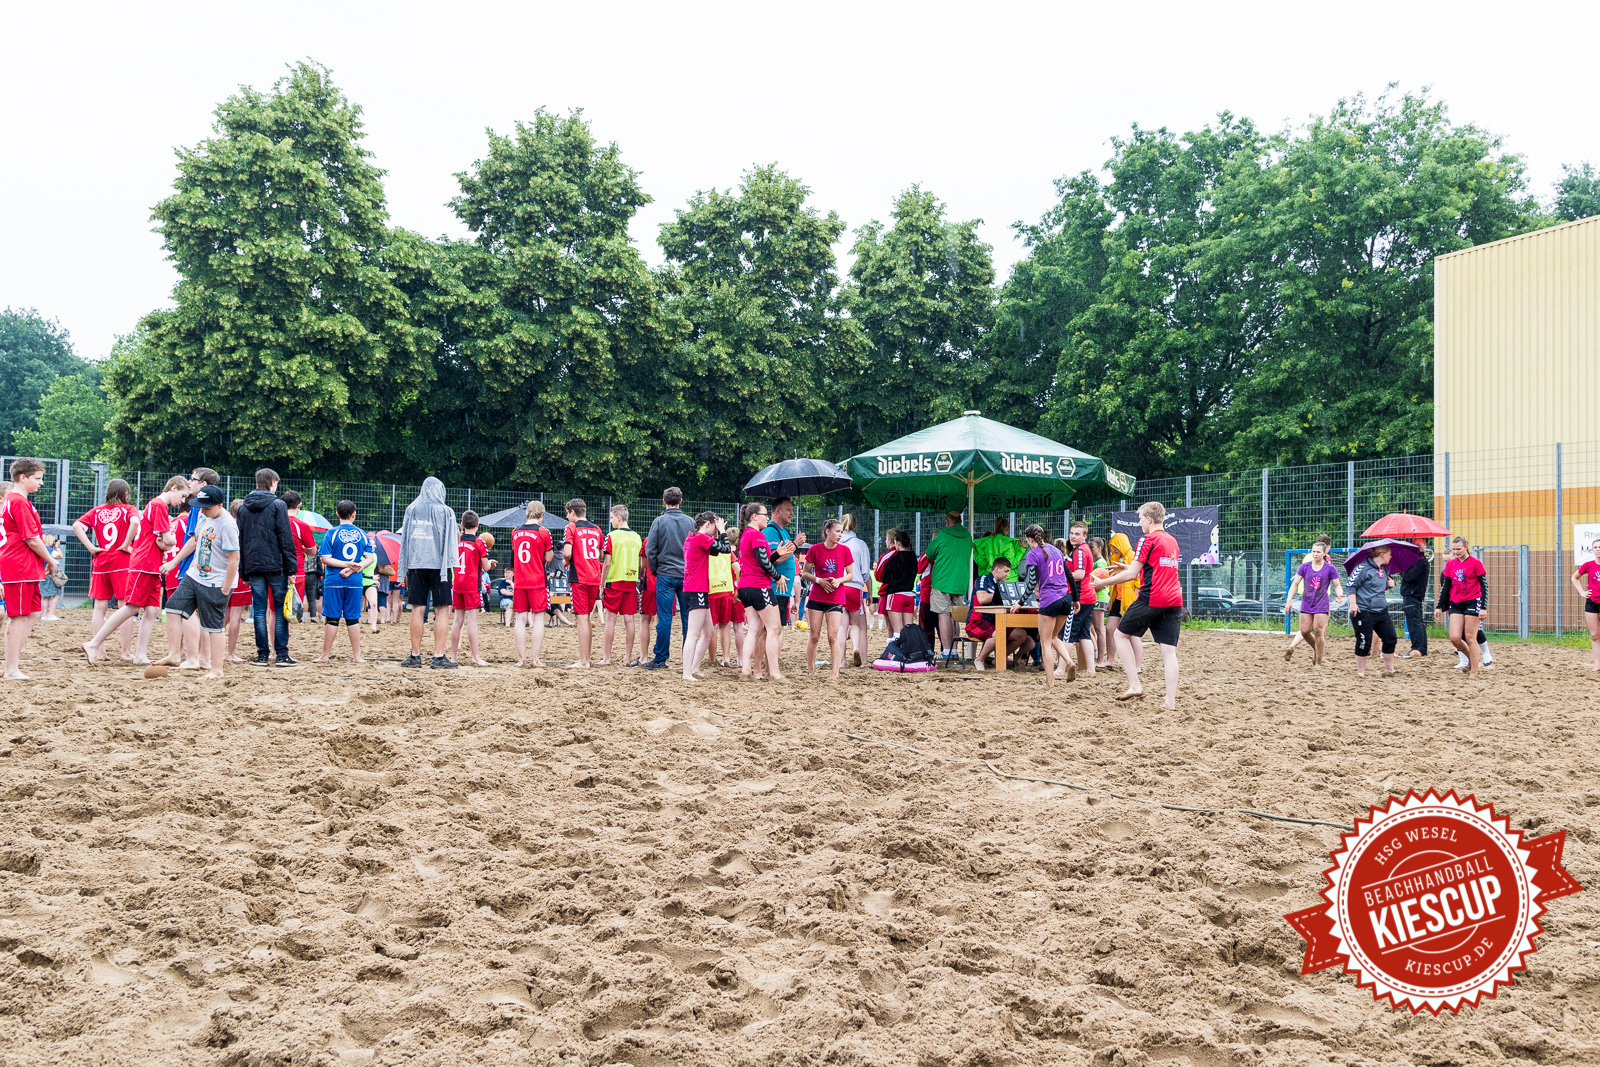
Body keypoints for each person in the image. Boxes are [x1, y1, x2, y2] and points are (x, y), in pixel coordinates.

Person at [85, 476, 189, 666]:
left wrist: (164, 543)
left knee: (151, 610)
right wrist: (169, 541)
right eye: (182, 496)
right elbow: (168, 539)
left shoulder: (154, 505)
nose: (182, 501)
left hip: (151, 563)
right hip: (145, 563)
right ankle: (94, 643)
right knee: (131, 606)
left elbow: (160, 539)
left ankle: (140, 654)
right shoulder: (159, 505)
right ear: (173, 488)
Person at [1094, 502, 1183, 708]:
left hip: (1152, 598)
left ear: (1149, 519)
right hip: (1175, 600)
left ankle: (1135, 684)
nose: (1140, 522)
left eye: (1141, 518)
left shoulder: (1147, 539)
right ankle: (1170, 702)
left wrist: (1102, 582)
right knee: (1169, 652)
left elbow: (1132, 575)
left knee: (1119, 635)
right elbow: (1156, 568)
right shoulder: (1172, 540)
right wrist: (1128, 566)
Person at [155, 485, 239, 680]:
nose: (202, 510)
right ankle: (174, 653)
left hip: (215, 582)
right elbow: (194, 540)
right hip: (195, 575)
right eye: (200, 506)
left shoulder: (227, 525)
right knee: (173, 607)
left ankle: (216, 669)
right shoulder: (203, 516)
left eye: (207, 507)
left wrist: (225, 588)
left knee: (213, 626)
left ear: (219, 505)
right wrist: (174, 562)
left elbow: (234, 559)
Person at [1, 460, 58, 679]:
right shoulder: (18, 501)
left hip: (24, 565)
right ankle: (11, 668)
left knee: (33, 612)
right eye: (37, 478)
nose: (41, 483)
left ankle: (12, 664)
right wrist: (51, 562)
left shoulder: (15, 500)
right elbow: (32, 539)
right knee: (18, 617)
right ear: (22, 477)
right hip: (20, 565)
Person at [73, 478, 139, 659]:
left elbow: (77, 525)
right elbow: (134, 522)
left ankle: (99, 650)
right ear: (125, 494)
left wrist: (91, 547)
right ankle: (125, 652)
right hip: (121, 561)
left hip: (101, 560)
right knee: (124, 606)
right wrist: (126, 544)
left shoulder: (97, 511)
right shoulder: (128, 509)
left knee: (99, 607)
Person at [237, 468, 297, 666]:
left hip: (254, 565)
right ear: (272, 483)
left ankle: (262, 655)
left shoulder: (244, 507)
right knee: (279, 609)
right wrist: (292, 568)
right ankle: (281, 654)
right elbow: (285, 538)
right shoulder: (278, 505)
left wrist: (243, 570)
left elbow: (241, 540)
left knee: (259, 609)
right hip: (276, 565)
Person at [397, 477, 458, 669]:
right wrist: (453, 565)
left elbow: (404, 539)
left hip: (416, 564)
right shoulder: (446, 511)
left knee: (417, 609)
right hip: (440, 566)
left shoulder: (411, 510)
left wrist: (402, 568)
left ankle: (415, 656)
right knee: (442, 611)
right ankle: (439, 656)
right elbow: (451, 541)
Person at [315, 500, 373, 664]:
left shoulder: (331, 533)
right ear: (354, 514)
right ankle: (357, 656)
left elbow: (325, 558)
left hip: (334, 580)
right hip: (355, 581)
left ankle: (325, 656)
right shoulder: (362, 534)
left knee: (332, 618)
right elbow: (370, 558)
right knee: (353, 618)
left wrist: (347, 565)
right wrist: (355, 566)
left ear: (337, 514)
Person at [643, 487, 694, 670]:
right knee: (688, 618)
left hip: (665, 573)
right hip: (686, 574)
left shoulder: (659, 521)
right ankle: (689, 657)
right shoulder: (690, 522)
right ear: (681, 501)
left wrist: (656, 569)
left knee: (664, 618)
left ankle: (660, 658)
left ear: (664, 501)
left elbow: (651, 549)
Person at [1021, 524, 1074, 688]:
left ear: (1030, 539)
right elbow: (1069, 575)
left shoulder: (1033, 554)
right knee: (1053, 637)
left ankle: (1050, 683)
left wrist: (1020, 602)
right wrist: (1076, 599)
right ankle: (1069, 661)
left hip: (1049, 600)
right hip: (1066, 598)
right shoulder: (1057, 551)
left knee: (1045, 642)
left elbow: (1030, 584)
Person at [737, 502, 785, 681]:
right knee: (774, 628)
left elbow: (759, 560)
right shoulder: (757, 535)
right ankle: (774, 672)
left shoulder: (745, 536)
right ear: (754, 517)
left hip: (746, 586)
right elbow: (764, 564)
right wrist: (778, 576)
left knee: (753, 630)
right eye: (764, 514)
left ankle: (746, 671)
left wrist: (776, 554)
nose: (767, 517)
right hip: (759, 586)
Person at [680, 511, 731, 681]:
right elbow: (725, 549)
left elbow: (717, 551)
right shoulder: (701, 538)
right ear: (708, 524)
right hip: (696, 589)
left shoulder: (697, 538)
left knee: (709, 631)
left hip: (698, 588)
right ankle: (687, 673)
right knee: (693, 633)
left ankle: (694, 668)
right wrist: (723, 531)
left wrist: (719, 533)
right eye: (715, 528)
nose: (716, 533)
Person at [802, 518, 854, 680]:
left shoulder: (845, 550)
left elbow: (850, 574)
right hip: (817, 596)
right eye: (837, 531)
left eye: (841, 532)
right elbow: (804, 573)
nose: (840, 535)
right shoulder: (815, 550)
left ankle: (834, 674)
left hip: (835, 597)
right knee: (814, 636)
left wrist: (839, 580)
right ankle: (810, 671)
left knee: (833, 636)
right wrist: (819, 580)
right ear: (827, 532)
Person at [1435, 535, 1487, 679]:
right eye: (1454, 549)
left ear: (1466, 547)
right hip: (1456, 602)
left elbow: (1484, 586)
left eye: (1459, 549)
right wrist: (1439, 606)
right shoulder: (1451, 565)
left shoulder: (1475, 563)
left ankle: (1474, 672)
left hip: (1472, 601)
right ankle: (1471, 657)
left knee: (1470, 637)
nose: (1456, 552)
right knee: (1455, 638)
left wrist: (1483, 607)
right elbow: (1445, 587)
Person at [448, 510, 496, 666]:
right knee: (472, 622)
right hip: (471, 584)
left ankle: (454, 657)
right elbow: (485, 567)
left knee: (457, 621)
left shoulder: (457, 540)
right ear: (478, 524)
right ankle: (475, 657)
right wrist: (491, 564)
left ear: (462, 524)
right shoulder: (479, 542)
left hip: (457, 584)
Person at [1284, 540, 1343, 664]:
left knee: (1318, 631)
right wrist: (1289, 601)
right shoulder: (1305, 567)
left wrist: (1339, 595)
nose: (1315, 554)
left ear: (1324, 553)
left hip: (1322, 603)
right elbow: (1295, 583)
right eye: (1313, 551)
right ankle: (1317, 649)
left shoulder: (1330, 568)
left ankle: (1318, 662)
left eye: (1318, 552)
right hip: (1306, 602)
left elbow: (1337, 585)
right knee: (1305, 631)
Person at [969, 557, 1034, 670]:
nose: (1007, 575)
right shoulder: (983, 579)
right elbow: (982, 598)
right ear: (997, 569)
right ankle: (980, 659)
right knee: (998, 634)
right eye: (1006, 571)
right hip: (978, 621)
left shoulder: (1001, 584)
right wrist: (1004, 597)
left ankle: (998, 659)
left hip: (996, 622)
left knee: (1024, 636)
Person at [923, 511, 973, 658]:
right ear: (961, 521)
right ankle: (954, 650)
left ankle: (946, 651)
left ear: (948, 522)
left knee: (943, 616)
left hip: (942, 582)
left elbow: (930, 553)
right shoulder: (967, 536)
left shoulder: (942, 535)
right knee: (955, 616)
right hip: (961, 582)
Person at [511, 501, 554, 667]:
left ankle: (521, 659)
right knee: (537, 620)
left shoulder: (515, 532)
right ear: (542, 515)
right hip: (537, 580)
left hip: (520, 580)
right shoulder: (543, 532)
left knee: (520, 619)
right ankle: (535, 659)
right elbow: (549, 558)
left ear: (526, 513)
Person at [562, 498, 604, 669]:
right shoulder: (596, 529)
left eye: (567, 513)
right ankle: (587, 658)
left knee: (581, 619)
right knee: (587, 618)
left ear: (572, 512)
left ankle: (584, 661)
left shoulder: (571, 527)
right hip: (594, 577)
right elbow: (600, 554)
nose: (567, 517)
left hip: (579, 577)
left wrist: (567, 561)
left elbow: (567, 552)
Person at [1346, 542, 1398, 679]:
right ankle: (1361, 672)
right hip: (1363, 610)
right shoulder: (1362, 568)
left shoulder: (1384, 570)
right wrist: (1353, 604)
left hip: (1381, 610)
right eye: (1389, 554)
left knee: (1391, 638)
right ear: (1382, 554)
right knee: (1364, 641)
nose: (1391, 557)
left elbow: (1379, 587)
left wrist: (1390, 585)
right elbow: (1351, 586)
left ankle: (1389, 669)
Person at [599, 505, 642, 667]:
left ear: (618, 518)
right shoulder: (637, 537)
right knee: (629, 620)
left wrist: (602, 584)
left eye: (611, 517)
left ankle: (607, 658)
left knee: (611, 619)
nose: (610, 521)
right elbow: (639, 563)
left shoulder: (612, 536)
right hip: (631, 581)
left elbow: (607, 563)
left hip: (614, 580)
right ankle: (627, 658)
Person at [763, 498, 804, 630]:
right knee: (772, 630)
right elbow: (776, 558)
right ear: (778, 511)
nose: (792, 513)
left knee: (779, 628)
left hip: (783, 590)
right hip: (775, 588)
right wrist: (796, 544)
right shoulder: (771, 531)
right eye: (788, 510)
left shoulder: (784, 532)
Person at [839, 514, 873, 667]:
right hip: (854, 586)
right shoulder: (860, 544)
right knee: (860, 625)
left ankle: (841, 661)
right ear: (855, 527)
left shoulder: (836, 543)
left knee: (841, 626)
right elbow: (865, 572)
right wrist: (870, 593)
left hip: (838, 586)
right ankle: (862, 657)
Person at [1066, 521, 1098, 676]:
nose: (1073, 536)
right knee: (1084, 634)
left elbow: (1079, 574)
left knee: (1069, 634)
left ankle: (1061, 668)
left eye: (1077, 534)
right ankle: (1091, 669)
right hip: (1088, 597)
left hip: (1081, 597)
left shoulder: (1079, 551)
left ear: (1084, 536)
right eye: (1072, 533)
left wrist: (1060, 576)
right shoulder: (1082, 549)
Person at [282, 490, 319, 622]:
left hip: (276, 569)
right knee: (290, 611)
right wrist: (303, 549)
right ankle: (283, 641)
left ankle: (274, 641)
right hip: (296, 571)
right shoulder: (301, 525)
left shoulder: (274, 522)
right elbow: (312, 551)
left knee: (274, 610)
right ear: (299, 505)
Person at [1104, 531, 1139, 667]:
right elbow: (1114, 582)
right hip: (1117, 600)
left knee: (1133, 634)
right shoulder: (1115, 558)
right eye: (1112, 547)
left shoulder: (1132, 556)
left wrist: (1135, 598)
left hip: (1129, 600)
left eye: (1116, 546)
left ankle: (1137, 665)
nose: (1114, 549)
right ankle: (1110, 660)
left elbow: (1138, 580)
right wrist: (1110, 601)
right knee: (1109, 629)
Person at [707, 533, 743, 668]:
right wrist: (738, 589)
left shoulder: (706, 549)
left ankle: (712, 659)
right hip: (727, 590)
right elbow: (738, 569)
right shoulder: (727, 551)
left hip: (711, 590)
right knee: (725, 626)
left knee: (713, 627)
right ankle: (726, 658)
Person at [223, 500, 252, 660]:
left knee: (223, 615)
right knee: (235, 616)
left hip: (225, 573)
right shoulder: (244, 529)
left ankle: (215, 650)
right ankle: (230, 653)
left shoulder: (225, 526)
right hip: (240, 574)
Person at [875, 529, 918, 635]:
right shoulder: (913, 557)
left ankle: (894, 651)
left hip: (894, 595)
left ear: (896, 542)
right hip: (909, 594)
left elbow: (881, 577)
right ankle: (907, 650)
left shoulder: (892, 557)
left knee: (894, 630)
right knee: (907, 629)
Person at [1398, 539, 1432, 658]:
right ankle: (1420, 647)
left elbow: (1409, 577)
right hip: (1415, 594)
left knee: (1414, 622)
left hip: (1412, 594)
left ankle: (1418, 647)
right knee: (1417, 621)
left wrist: (1401, 570)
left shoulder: (1418, 561)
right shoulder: (1422, 561)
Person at [1571, 537, 1600, 672]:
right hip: (1592, 603)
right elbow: (1574, 577)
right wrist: (1582, 592)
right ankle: (1597, 665)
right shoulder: (1588, 565)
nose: (1598, 550)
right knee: (1595, 635)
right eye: (1595, 547)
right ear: (1592, 550)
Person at [1088, 536, 1111, 667]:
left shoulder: (1100, 563)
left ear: (1099, 548)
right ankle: (1096, 655)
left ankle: (1100, 659)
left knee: (1098, 629)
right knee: (1090, 628)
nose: (1090, 549)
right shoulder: (1098, 562)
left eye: (1092, 547)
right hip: (1095, 597)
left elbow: (1100, 584)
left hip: (1098, 598)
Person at [38, 536, 65, 620]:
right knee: (56, 594)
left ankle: (45, 614)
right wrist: (57, 547)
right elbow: (60, 556)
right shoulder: (49, 550)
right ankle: (50, 614)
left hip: (43, 574)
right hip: (51, 574)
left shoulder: (40, 549)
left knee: (46, 596)